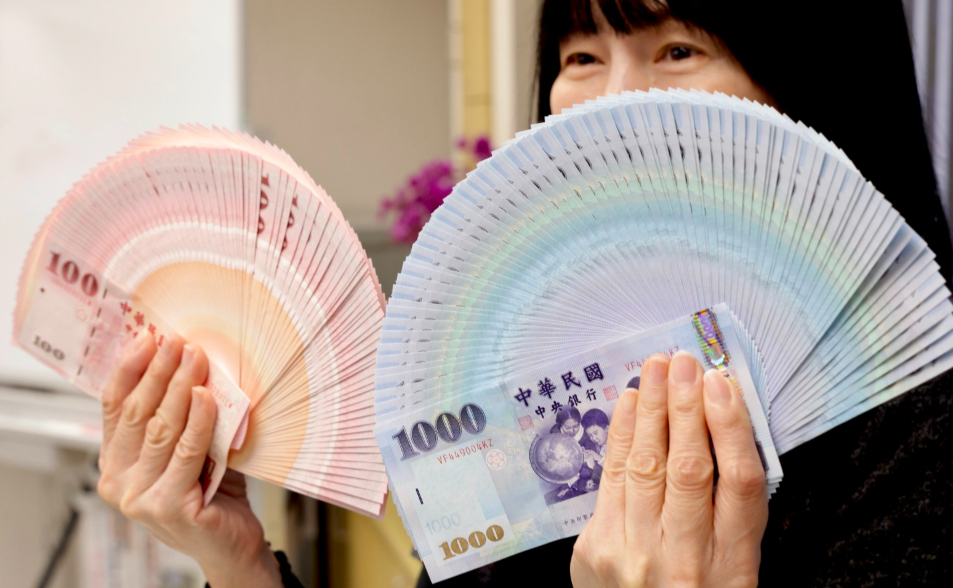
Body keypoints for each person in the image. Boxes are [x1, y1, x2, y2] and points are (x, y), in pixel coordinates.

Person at [95, 1, 953, 587]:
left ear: (814, 78)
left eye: (677, 49)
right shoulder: (533, 383)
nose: (611, 103)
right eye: (580, 57)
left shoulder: (920, 417)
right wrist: (239, 564)